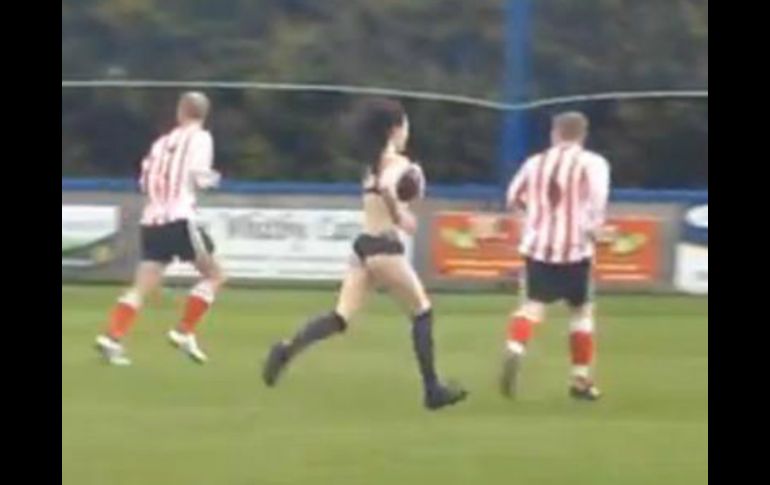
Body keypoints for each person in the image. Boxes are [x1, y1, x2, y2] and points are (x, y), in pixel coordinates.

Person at [261, 97, 468, 410]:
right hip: (385, 247)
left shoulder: (370, 166)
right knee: (422, 311)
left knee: (340, 317)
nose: (407, 132)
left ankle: (286, 350)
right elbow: (388, 188)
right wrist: (401, 216)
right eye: (405, 125)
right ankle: (432, 390)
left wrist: (397, 206)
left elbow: (381, 187)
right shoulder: (398, 164)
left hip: (363, 247)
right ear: (394, 129)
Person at [95, 91, 225, 366]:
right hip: (179, 217)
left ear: (180, 112)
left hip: (152, 220)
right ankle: (184, 331)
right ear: (204, 114)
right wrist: (215, 179)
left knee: (142, 286)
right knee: (215, 275)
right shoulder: (201, 138)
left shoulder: (161, 143)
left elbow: (144, 182)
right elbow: (201, 179)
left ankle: (113, 337)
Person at [501, 111, 611, 400]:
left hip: (538, 247)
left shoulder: (534, 163)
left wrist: (534, 218)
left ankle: (515, 345)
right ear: (583, 134)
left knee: (532, 307)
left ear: (555, 133)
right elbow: (598, 199)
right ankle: (580, 379)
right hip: (576, 248)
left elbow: (513, 196)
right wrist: (592, 228)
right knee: (581, 312)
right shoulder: (592, 163)